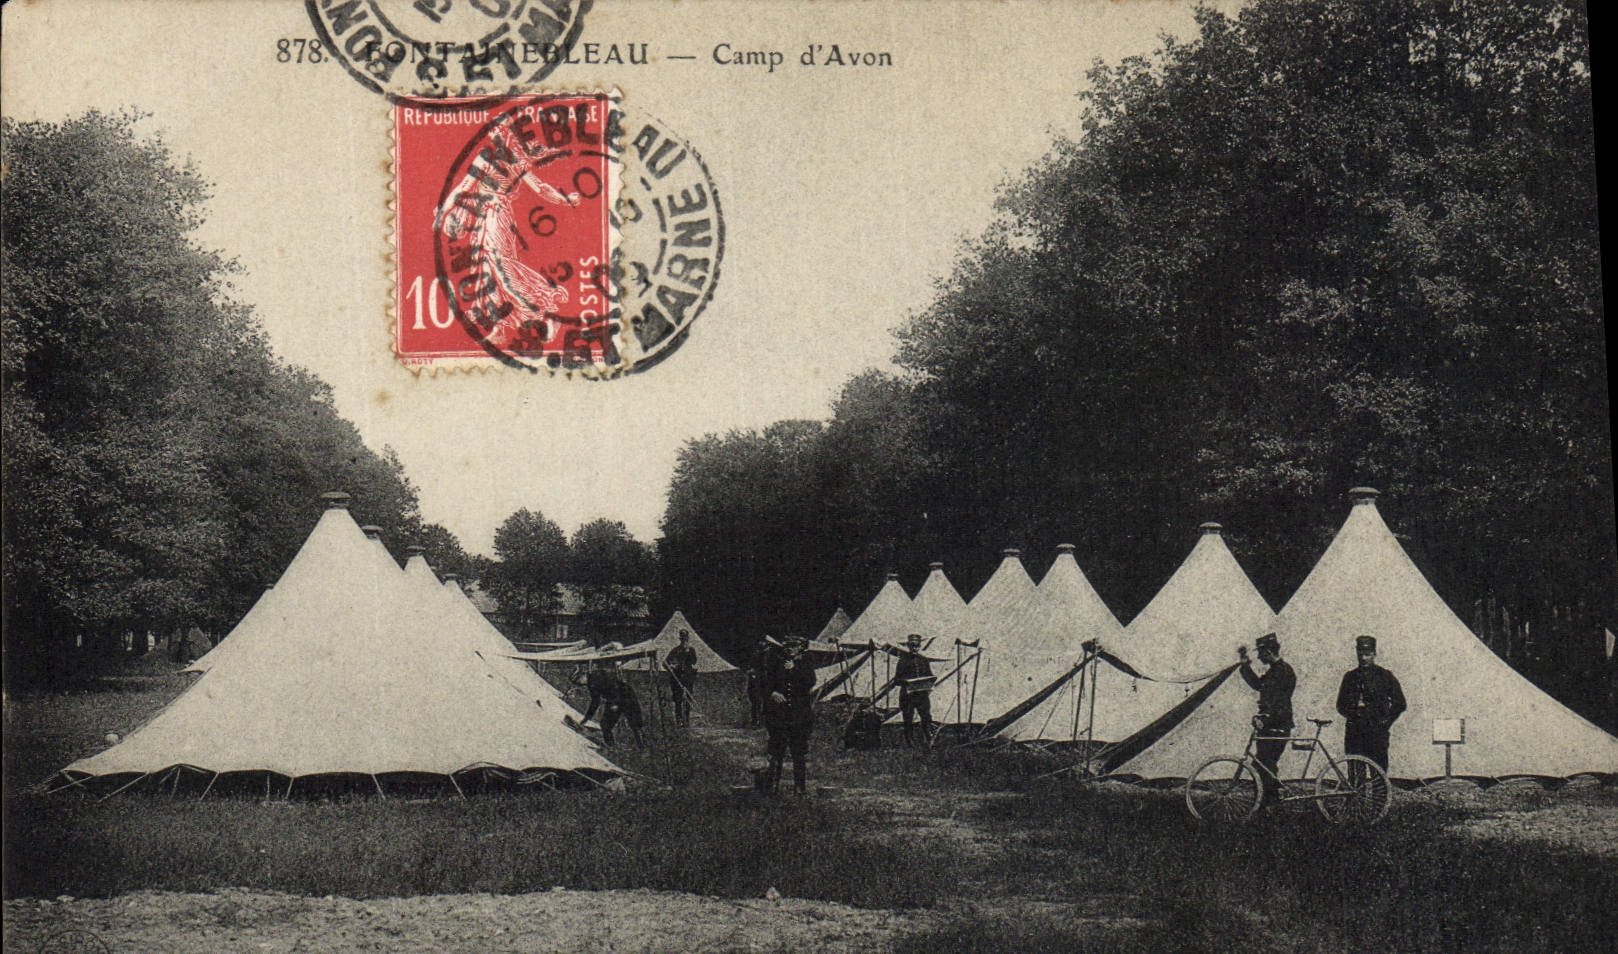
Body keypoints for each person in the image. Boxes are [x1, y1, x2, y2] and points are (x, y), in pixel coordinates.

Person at [1238, 632, 1295, 807]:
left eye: (1261, 654)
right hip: (1271, 725)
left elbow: (1280, 702)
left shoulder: (1283, 671)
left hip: (1276, 725)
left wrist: (1266, 718)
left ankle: (1268, 803)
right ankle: (1269, 802)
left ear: (1269, 652)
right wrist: (1245, 664)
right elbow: (1258, 685)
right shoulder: (1275, 671)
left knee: (1265, 764)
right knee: (1264, 765)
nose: (1259, 657)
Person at [1335, 635, 1406, 773]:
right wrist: (1354, 714)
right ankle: (1357, 796)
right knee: (1355, 775)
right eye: (1360, 654)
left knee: (1378, 774)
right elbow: (1340, 705)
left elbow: (1400, 703)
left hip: (1377, 733)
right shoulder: (1350, 677)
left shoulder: (1385, 676)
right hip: (1354, 733)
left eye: (1367, 654)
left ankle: (1379, 796)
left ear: (1374, 654)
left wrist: (1385, 722)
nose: (1363, 658)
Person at [760, 636, 816, 795]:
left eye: (793, 646)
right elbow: (765, 682)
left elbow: (811, 681)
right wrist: (772, 693)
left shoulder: (806, 663)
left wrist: (795, 668)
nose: (789, 649)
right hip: (779, 715)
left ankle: (800, 788)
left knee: (798, 752)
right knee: (777, 750)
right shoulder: (776, 662)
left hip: (799, 716)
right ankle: (772, 786)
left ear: (800, 648)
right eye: (787, 646)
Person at [577, 658, 645, 748]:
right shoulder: (592, 681)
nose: (581, 684)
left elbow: (614, 686)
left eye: (579, 682)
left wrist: (615, 703)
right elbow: (595, 702)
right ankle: (612, 746)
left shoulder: (595, 677)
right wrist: (586, 718)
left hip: (623, 696)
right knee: (606, 724)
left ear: (583, 676)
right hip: (620, 697)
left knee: (633, 723)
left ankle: (641, 746)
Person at [894, 633, 935, 747]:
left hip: (921, 695)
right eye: (912, 646)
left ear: (920, 646)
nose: (914, 648)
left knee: (926, 717)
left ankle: (928, 739)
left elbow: (930, 675)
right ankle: (909, 742)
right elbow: (896, 680)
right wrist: (906, 682)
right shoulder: (903, 661)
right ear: (908, 646)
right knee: (908, 718)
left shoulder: (924, 660)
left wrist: (930, 681)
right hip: (907, 695)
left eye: (917, 646)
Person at [665, 629, 700, 728]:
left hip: (688, 677)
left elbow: (694, 662)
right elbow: (665, 662)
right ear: (680, 639)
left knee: (688, 697)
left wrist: (688, 655)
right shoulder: (675, 650)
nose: (684, 640)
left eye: (685, 638)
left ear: (687, 639)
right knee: (678, 699)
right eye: (682, 638)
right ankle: (679, 720)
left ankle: (687, 719)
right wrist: (672, 668)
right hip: (677, 677)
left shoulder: (691, 650)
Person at [745, 638, 771, 727]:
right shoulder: (756, 654)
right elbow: (750, 666)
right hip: (757, 680)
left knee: (764, 700)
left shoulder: (769, 655)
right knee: (756, 701)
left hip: (764, 680)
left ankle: (761, 721)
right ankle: (757, 721)